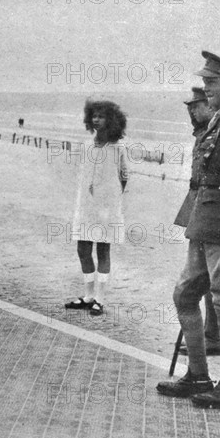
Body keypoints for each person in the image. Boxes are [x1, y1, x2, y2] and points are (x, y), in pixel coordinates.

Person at [157, 51, 220, 409]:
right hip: (204, 219)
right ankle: (197, 375)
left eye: (212, 82)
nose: (206, 88)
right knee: (185, 294)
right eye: (206, 81)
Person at [65, 97, 128, 316]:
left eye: (102, 116)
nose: (97, 120)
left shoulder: (117, 149)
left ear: (111, 120)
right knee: (82, 249)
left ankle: (99, 299)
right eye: (94, 116)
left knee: (103, 250)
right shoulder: (85, 146)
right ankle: (88, 295)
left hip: (107, 207)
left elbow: (123, 177)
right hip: (86, 206)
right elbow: (82, 176)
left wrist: (110, 202)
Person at [174, 87, 220, 356]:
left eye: (196, 106)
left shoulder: (216, 132)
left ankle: (213, 336)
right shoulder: (202, 132)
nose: (192, 111)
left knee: (211, 277)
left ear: (210, 106)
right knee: (202, 278)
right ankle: (208, 333)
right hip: (198, 203)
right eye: (190, 107)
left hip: (210, 208)